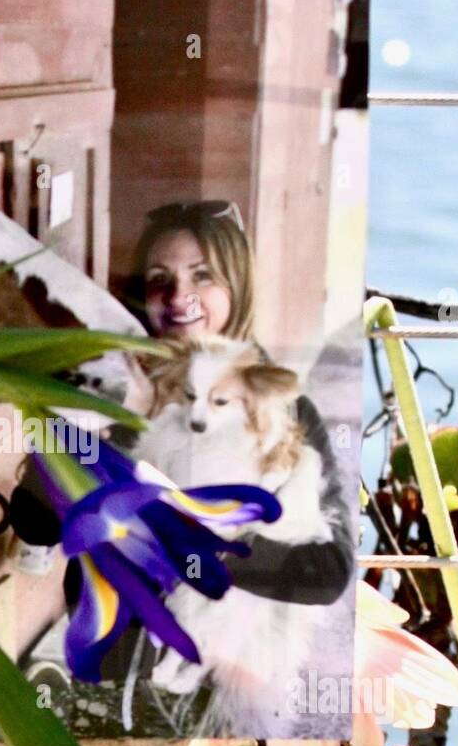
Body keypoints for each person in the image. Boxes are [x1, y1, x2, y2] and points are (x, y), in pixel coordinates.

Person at [131, 200, 354, 610]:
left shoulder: (285, 410)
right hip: (113, 647)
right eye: (159, 279)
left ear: (238, 287)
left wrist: (206, 548)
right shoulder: (118, 392)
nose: (180, 296)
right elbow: (35, 520)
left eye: (203, 276)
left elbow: (328, 572)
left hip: (217, 659)